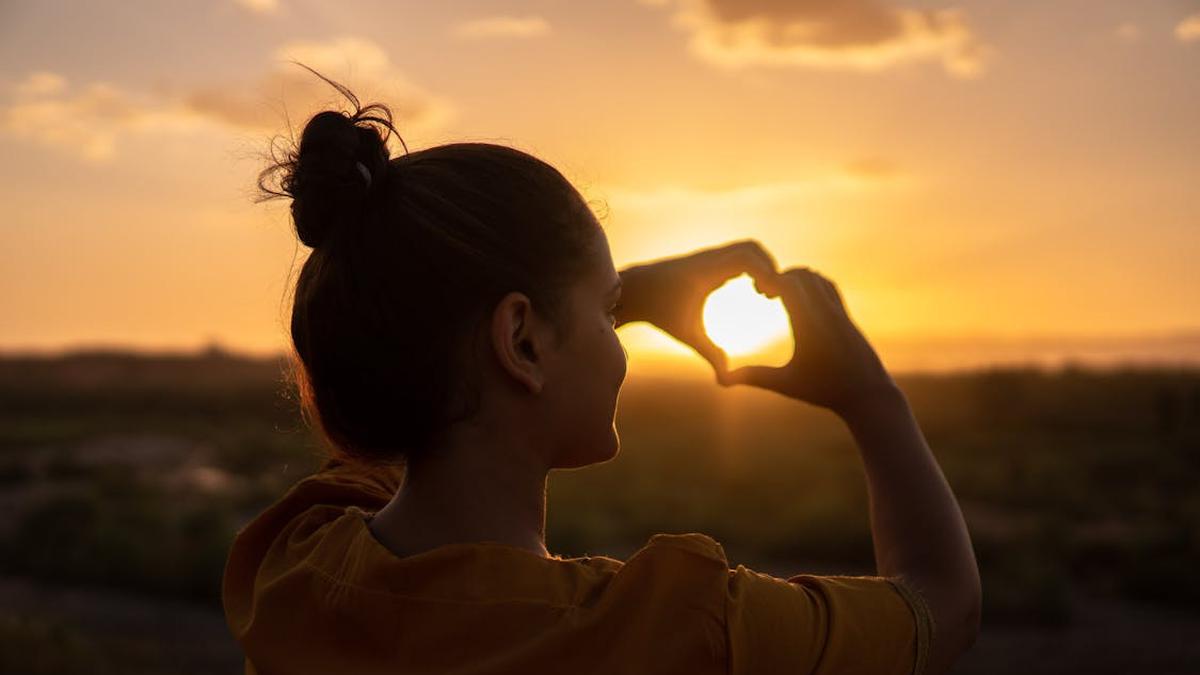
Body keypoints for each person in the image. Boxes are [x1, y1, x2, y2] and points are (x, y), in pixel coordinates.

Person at [222, 65, 981, 675]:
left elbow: (409, 366)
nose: (618, 339)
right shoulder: (678, 629)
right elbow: (940, 607)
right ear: (520, 341)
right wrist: (870, 396)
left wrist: (606, 299)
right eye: (608, 312)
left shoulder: (296, 564)